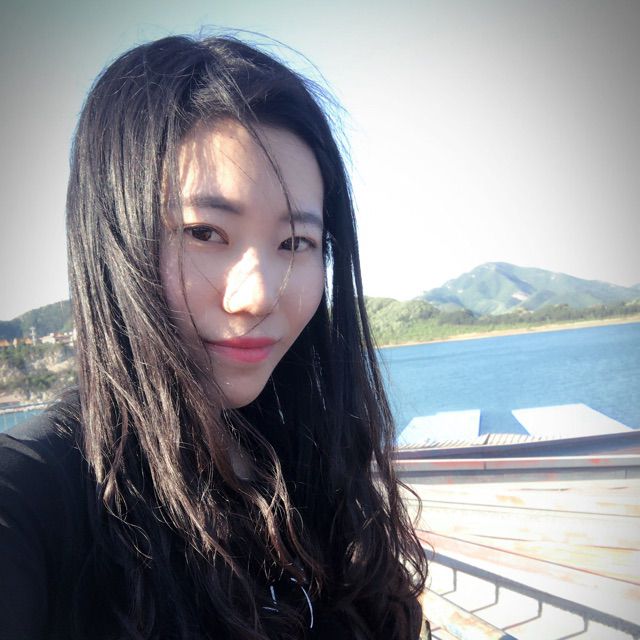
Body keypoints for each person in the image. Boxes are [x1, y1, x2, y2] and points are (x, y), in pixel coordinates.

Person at [0, 35, 427, 639]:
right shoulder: (34, 500)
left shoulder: (310, 461)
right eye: (204, 232)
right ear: (111, 239)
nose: (258, 295)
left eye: (296, 242)